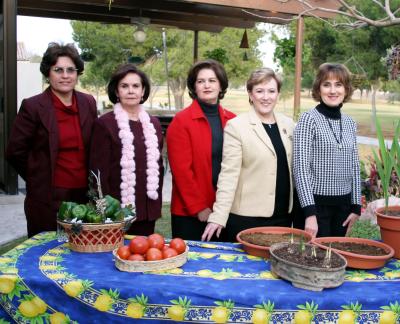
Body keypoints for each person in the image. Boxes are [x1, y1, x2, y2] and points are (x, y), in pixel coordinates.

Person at [6, 42, 98, 237]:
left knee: (81, 252)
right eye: (58, 70)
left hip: (84, 196)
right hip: (48, 196)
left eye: (70, 70)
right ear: (48, 73)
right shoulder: (33, 106)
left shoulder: (88, 102)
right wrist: (37, 176)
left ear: (77, 73)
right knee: (45, 250)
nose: (65, 76)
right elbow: (15, 151)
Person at [202, 68, 296, 242]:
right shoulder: (236, 127)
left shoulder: (289, 125)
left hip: (283, 218)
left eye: (271, 91)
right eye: (259, 91)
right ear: (250, 94)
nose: (266, 97)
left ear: (278, 94)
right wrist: (218, 216)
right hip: (247, 219)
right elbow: (228, 175)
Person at [89, 64, 163, 236]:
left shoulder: (154, 125)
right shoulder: (105, 124)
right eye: (124, 86)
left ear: (143, 91)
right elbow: (97, 173)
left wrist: (155, 205)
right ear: (116, 91)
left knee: (142, 257)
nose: (131, 91)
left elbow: (158, 167)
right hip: (116, 210)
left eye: (136, 86)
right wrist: (103, 211)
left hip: (146, 208)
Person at [166, 59, 236, 240]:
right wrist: (199, 208)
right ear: (193, 87)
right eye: (200, 81)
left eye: (212, 80)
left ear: (221, 85)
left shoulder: (233, 121)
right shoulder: (181, 122)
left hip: (225, 209)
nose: (207, 85)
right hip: (191, 213)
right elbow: (181, 172)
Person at [293, 63, 361, 238]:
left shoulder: (350, 123)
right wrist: (309, 213)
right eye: (326, 84)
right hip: (315, 206)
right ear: (318, 88)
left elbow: (354, 166)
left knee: (336, 258)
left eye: (338, 85)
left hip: (343, 208)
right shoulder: (308, 119)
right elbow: (300, 168)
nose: (333, 91)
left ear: (346, 89)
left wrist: (356, 207)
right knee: (313, 261)